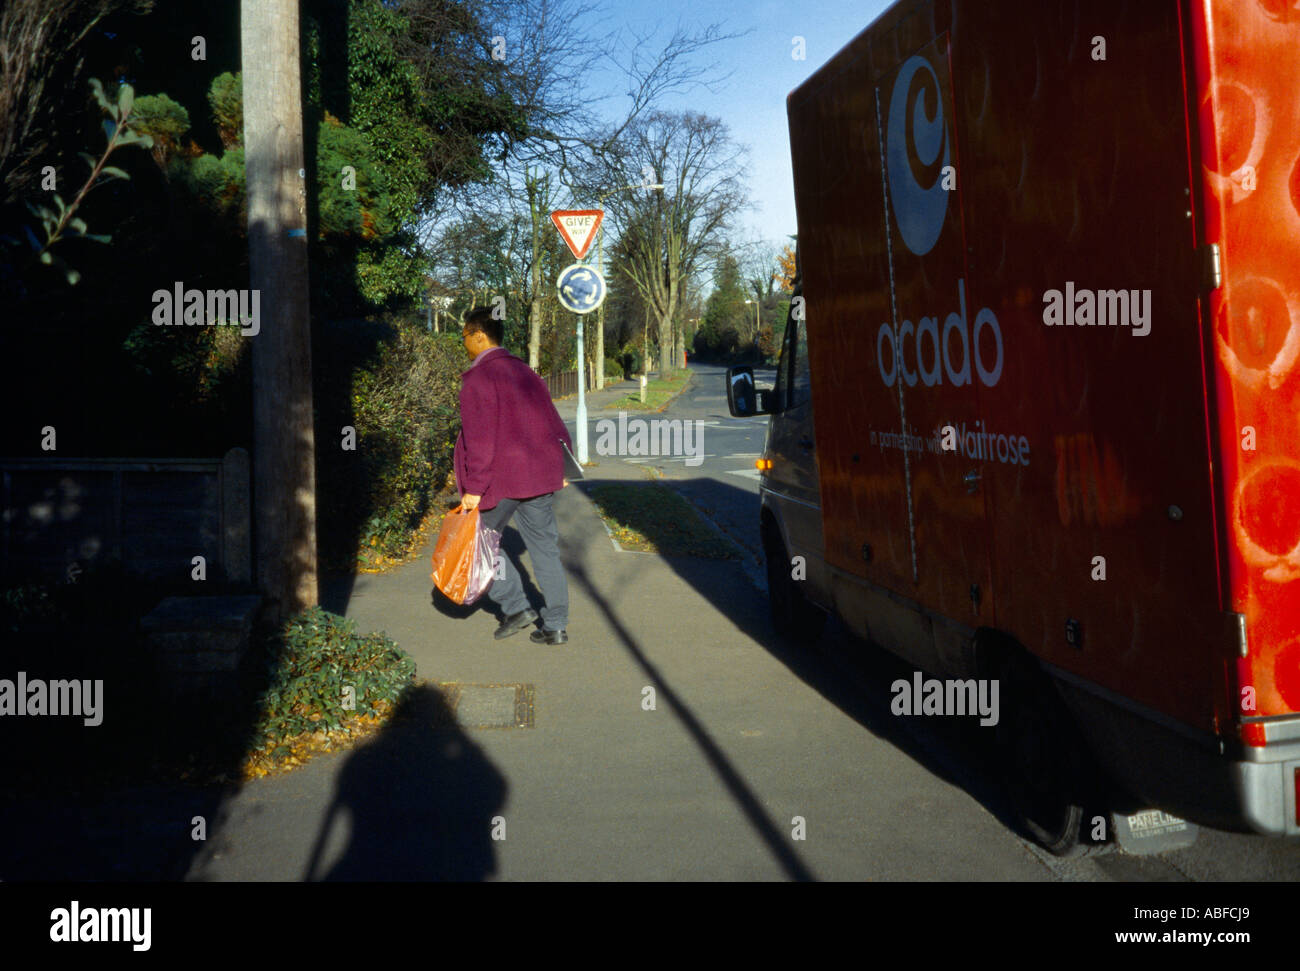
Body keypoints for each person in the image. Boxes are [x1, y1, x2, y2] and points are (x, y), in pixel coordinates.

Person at [454, 306, 573, 644]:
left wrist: (474, 488)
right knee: (545, 550)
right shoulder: (526, 373)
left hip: (501, 480)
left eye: (464, 336)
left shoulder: (478, 379)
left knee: (479, 543)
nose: (464, 343)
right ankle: (556, 626)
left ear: (479, 335)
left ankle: (517, 607)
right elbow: (553, 421)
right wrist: (564, 465)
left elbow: (480, 440)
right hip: (537, 477)